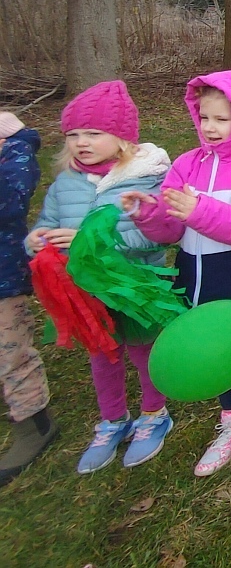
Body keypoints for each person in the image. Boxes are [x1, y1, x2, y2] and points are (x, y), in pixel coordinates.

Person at [124, 71, 231, 481]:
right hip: (195, 279)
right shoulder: (186, 165)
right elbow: (171, 229)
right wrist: (149, 214)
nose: (210, 127)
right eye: (204, 117)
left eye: (223, 119)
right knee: (212, 352)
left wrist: (199, 211)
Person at [25, 82, 175, 474]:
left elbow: (154, 236)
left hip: (135, 288)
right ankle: (112, 420)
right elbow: (47, 223)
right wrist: (36, 240)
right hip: (88, 291)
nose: (81, 143)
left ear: (122, 137)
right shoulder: (65, 183)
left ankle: (154, 414)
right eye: (72, 135)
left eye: (93, 133)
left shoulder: (147, 179)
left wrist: (90, 241)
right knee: (103, 353)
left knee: (143, 352)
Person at [0, 112, 58, 484]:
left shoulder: (16, 154)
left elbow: (10, 203)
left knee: (10, 349)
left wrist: (13, 144)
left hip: (3, 276)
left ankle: (33, 421)